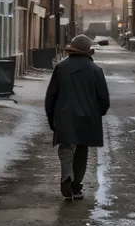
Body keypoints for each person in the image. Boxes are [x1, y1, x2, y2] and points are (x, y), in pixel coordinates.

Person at [45, 35, 110, 200]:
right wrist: (96, 113)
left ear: (71, 50)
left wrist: (52, 118)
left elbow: (51, 97)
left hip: (64, 114)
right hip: (88, 116)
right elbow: (104, 99)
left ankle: (67, 174)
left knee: (66, 144)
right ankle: (76, 187)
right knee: (82, 149)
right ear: (88, 52)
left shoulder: (61, 68)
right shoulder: (96, 71)